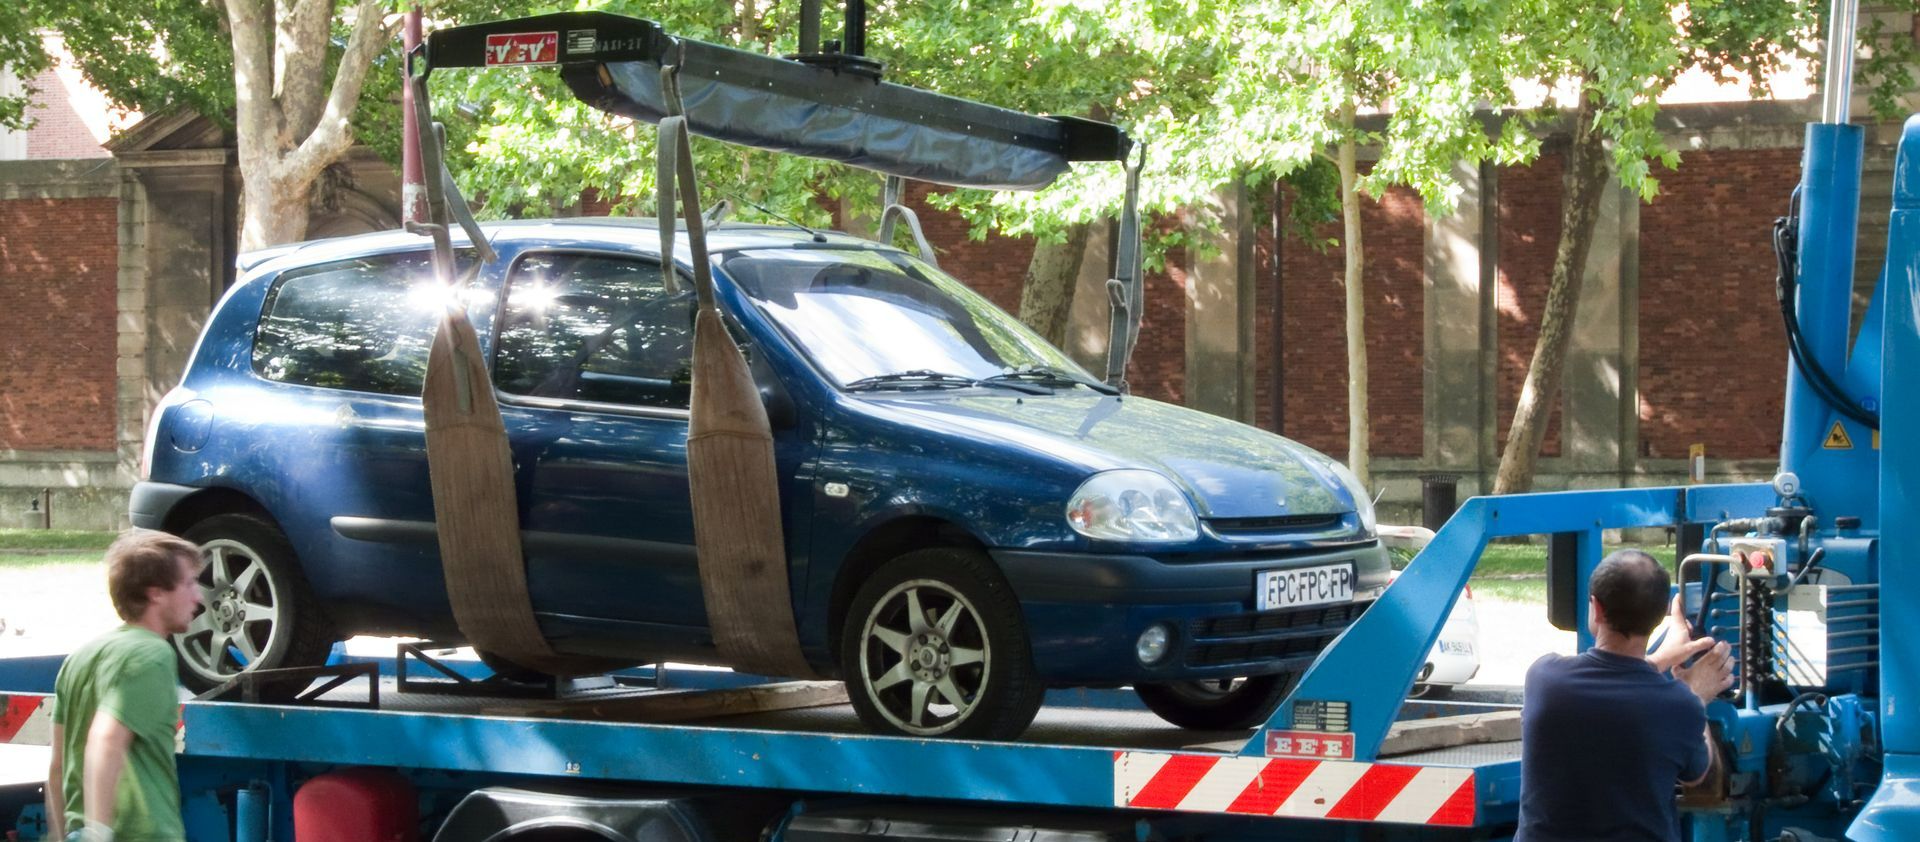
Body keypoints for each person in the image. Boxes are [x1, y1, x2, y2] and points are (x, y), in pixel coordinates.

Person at [1516, 548, 1736, 842]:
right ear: (1659, 618)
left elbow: (1614, 682)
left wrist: (1660, 659)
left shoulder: (1544, 678)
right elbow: (1697, 775)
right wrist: (1696, 692)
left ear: (1596, 608)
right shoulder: (1679, 705)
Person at [44, 529, 202, 842]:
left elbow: (57, 767)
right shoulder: (153, 654)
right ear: (155, 593)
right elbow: (106, 739)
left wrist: (62, 837)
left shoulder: (81, 657)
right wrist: (99, 834)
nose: (198, 596)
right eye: (189, 583)